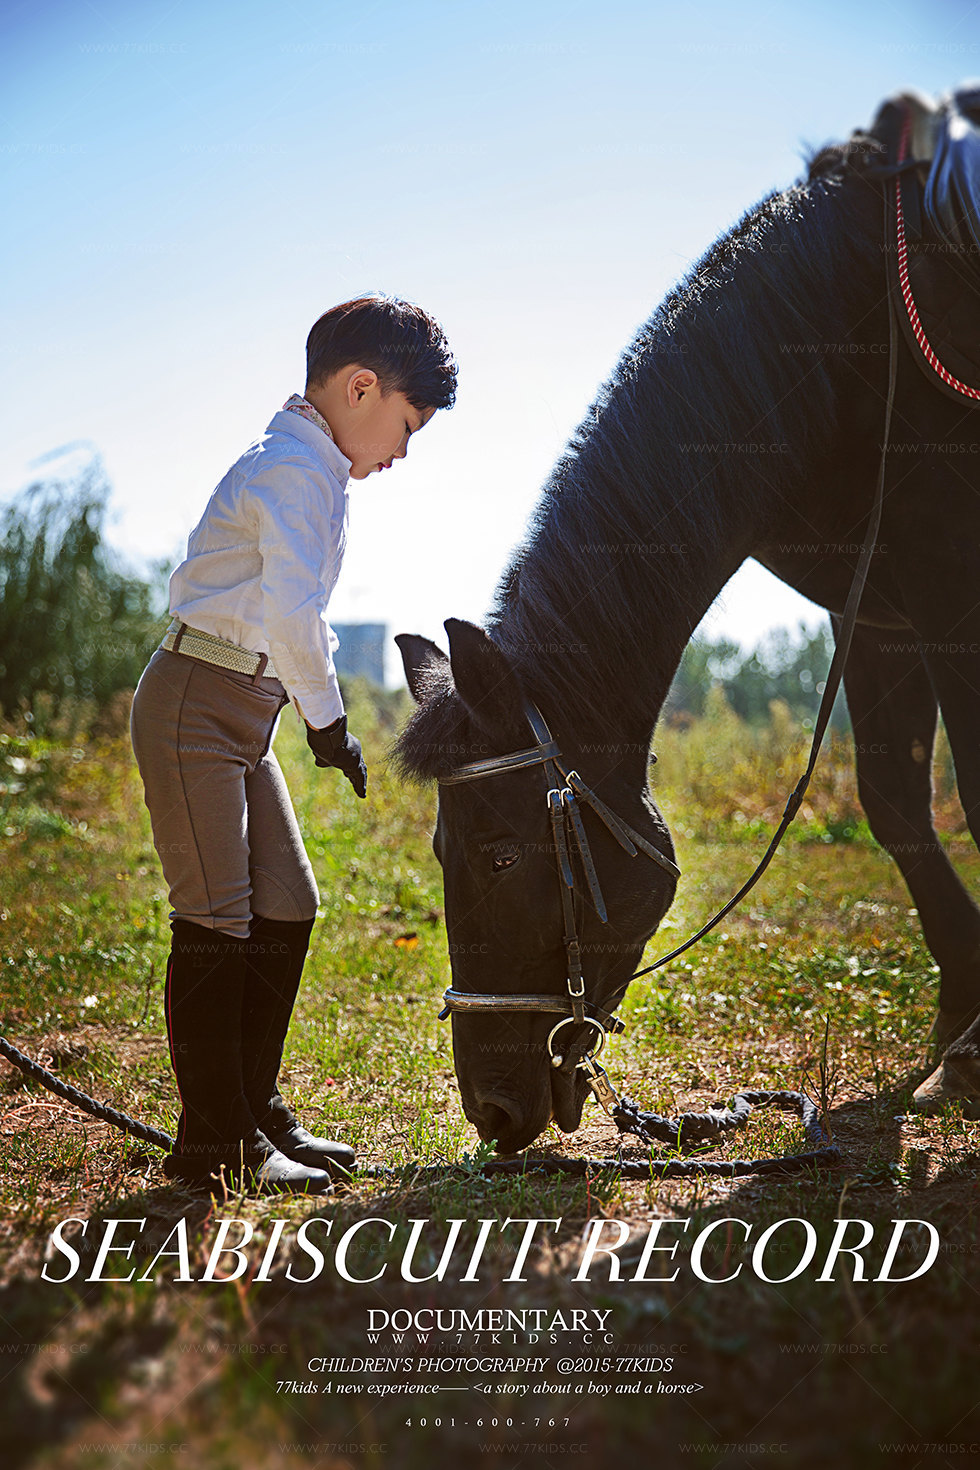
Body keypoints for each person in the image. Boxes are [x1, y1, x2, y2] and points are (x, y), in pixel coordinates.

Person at [130, 295, 457, 1194]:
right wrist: (329, 720)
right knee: (216, 913)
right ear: (361, 388)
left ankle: (252, 1109)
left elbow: (288, 618)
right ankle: (213, 1143)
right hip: (198, 701)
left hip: (243, 710)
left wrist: (306, 713)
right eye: (406, 423)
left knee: (289, 898)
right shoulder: (290, 471)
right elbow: (290, 614)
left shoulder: (311, 469)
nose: (402, 450)